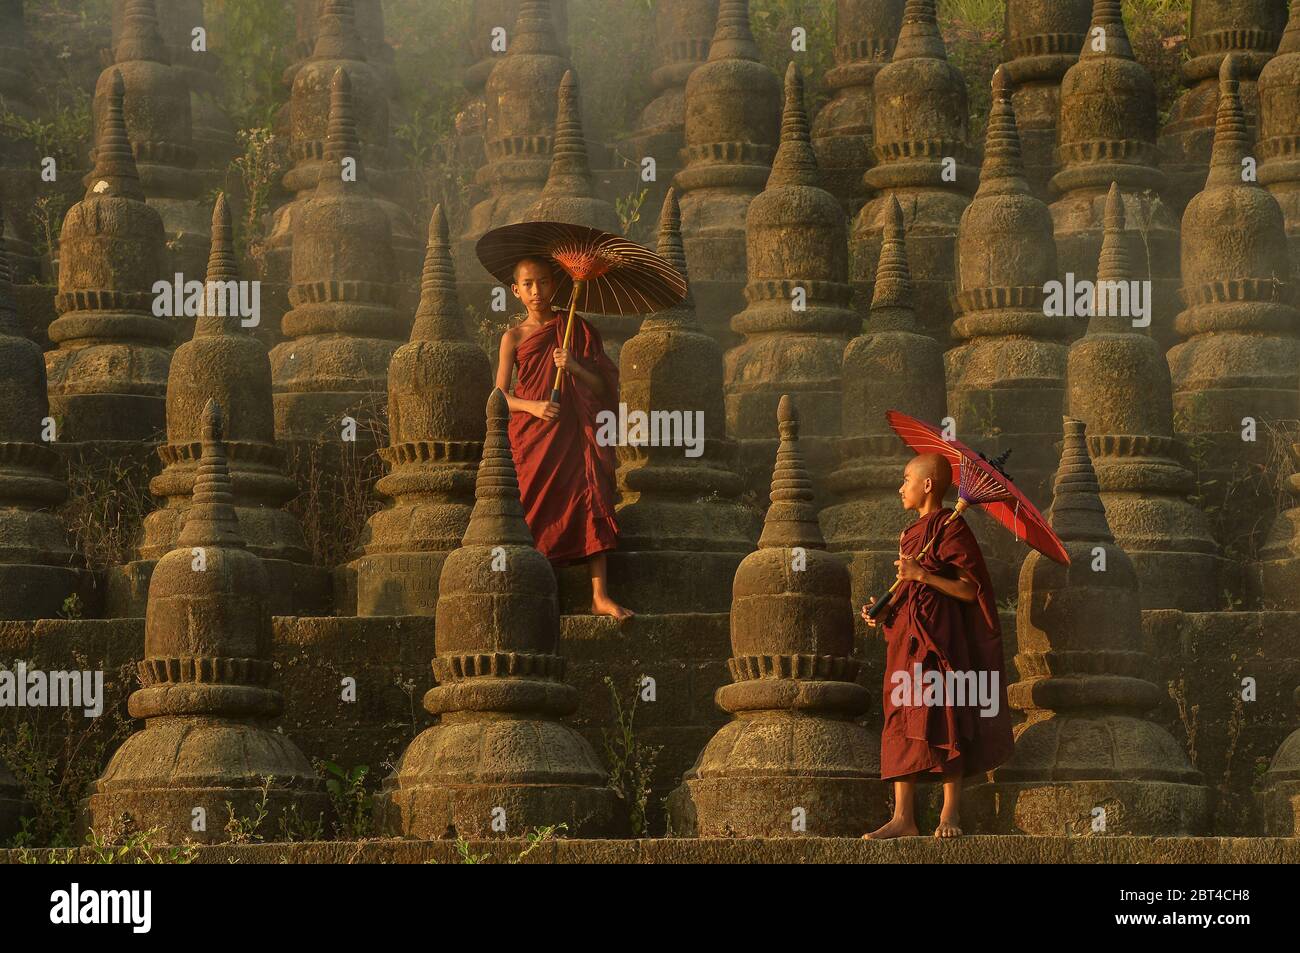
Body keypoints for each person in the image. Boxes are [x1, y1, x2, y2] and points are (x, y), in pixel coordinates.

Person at [860, 452, 1013, 839]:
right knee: (901, 718)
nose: (901, 487)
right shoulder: (912, 533)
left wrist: (922, 576)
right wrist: (884, 609)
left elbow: (967, 590)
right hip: (907, 640)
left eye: (906, 478)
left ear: (927, 484)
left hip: (941, 641)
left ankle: (949, 815)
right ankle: (903, 818)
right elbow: (909, 586)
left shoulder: (952, 529)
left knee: (945, 715)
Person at [495, 256, 634, 620]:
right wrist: (534, 407)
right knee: (533, 507)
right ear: (515, 290)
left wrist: (573, 367)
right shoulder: (513, 337)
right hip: (532, 436)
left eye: (543, 282)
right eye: (528, 284)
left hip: (575, 433)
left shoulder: (576, 329)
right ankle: (536, 592)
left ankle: (599, 595)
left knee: (592, 498)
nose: (536, 291)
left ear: (555, 284)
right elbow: (499, 398)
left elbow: (604, 386)